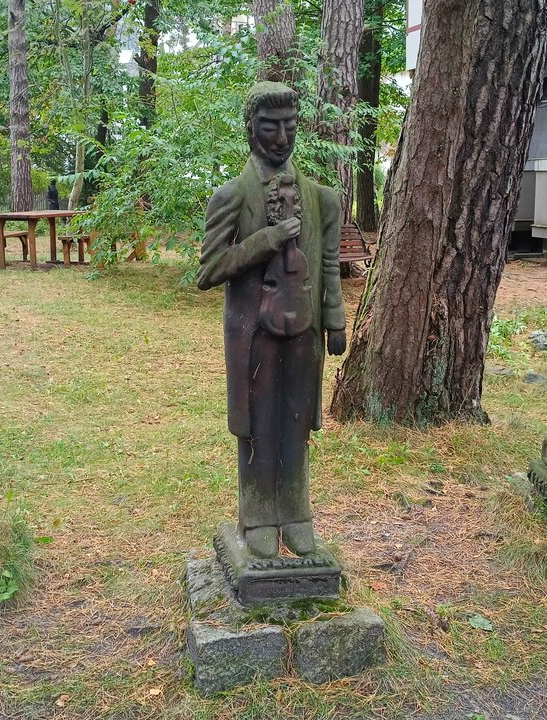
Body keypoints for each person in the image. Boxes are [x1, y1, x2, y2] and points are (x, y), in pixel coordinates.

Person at [197, 82, 347, 559]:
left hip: (304, 329)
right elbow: (208, 269)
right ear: (251, 130)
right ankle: (259, 513)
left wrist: (335, 319)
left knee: (297, 422)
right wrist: (265, 241)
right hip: (255, 334)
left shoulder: (322, 199)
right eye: (269, 127)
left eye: (289, 126)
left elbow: (327, 264)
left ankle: (297, 514)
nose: (281, 138)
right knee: (258, 424)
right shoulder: (231, 196)